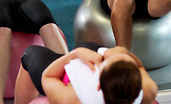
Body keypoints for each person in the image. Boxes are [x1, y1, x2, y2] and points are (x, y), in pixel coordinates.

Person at [14, 43, 158, 104]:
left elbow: (48, 76)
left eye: (102, 61)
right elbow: (139, 66)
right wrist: (123, 51)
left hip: (64, 75)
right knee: (87, 45)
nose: (105, 55)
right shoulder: (148, 90)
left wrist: (75, 54)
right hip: (89, 64)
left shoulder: (71, 98)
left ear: (98, 85)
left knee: (30, 53)